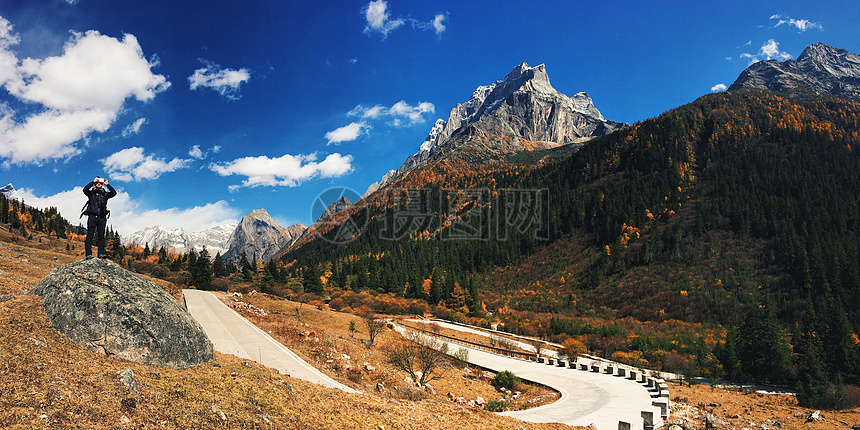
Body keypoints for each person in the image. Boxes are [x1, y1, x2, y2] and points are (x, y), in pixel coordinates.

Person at [82, 176, 117, 259]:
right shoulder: (91, 193)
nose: (99, 184)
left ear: (102, 184)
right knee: (90, 235)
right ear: (95, 184)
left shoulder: (105, 194)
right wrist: (92, 182)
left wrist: (107, 184)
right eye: (97, 182)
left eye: (100, 183)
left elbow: (114, 193)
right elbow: (85, 190)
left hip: (102, 217)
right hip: (92, 216)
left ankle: (101, 254)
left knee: (101, 236)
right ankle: (88, 254)